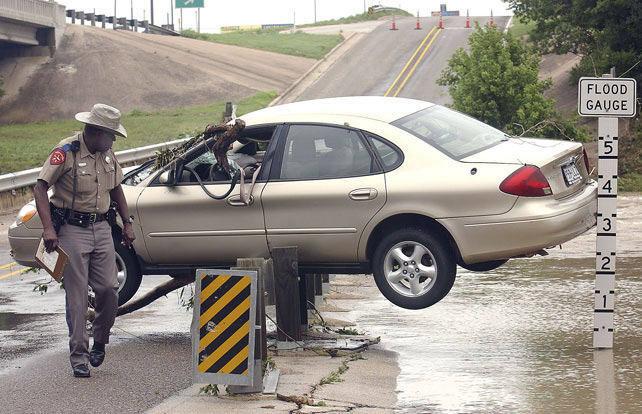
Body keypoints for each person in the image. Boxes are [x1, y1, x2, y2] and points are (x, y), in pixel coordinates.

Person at [33, 103, 136, 378]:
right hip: (71, 229)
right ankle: (79, 355)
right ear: (96, 131)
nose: (113, 139)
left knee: (108, 290)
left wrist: (127, 223)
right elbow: (40, 187)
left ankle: (100, 341)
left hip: (102, 228)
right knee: (77, 296)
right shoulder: (66, 152)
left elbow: (116, 189)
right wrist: (48, 229)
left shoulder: (107, 154)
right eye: (111, 134)